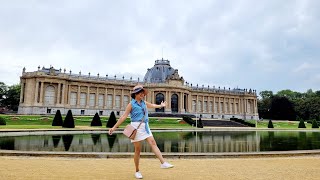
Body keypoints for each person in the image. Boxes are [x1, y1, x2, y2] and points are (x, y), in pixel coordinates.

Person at [108, 85, 174, 179]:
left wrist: (161, 106)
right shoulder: (131, 104)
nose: (143, 94)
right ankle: (137, 171)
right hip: (136, 127)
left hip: (145, 126)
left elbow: (152, 105)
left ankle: (163, 163)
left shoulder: (144, 102)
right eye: (141, 93)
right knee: (138, 151)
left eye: (143, 93)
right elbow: (123, 117)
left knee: (153, 143)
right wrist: (114, 128)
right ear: (136, 94)